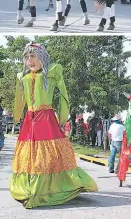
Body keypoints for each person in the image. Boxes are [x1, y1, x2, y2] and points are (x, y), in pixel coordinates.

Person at [10, 42, 97, 208]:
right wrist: (16, 118)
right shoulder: (23, 76)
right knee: (29, 156)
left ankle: (49, 188)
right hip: (30, 119)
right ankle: (30, 186)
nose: (30, 60)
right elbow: (19, 99)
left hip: (46, 118)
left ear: (42, 57)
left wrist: (63, 115)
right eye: (26, 57)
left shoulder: (51, 71)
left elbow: (63, 93)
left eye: (33, 56)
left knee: (48, 154)